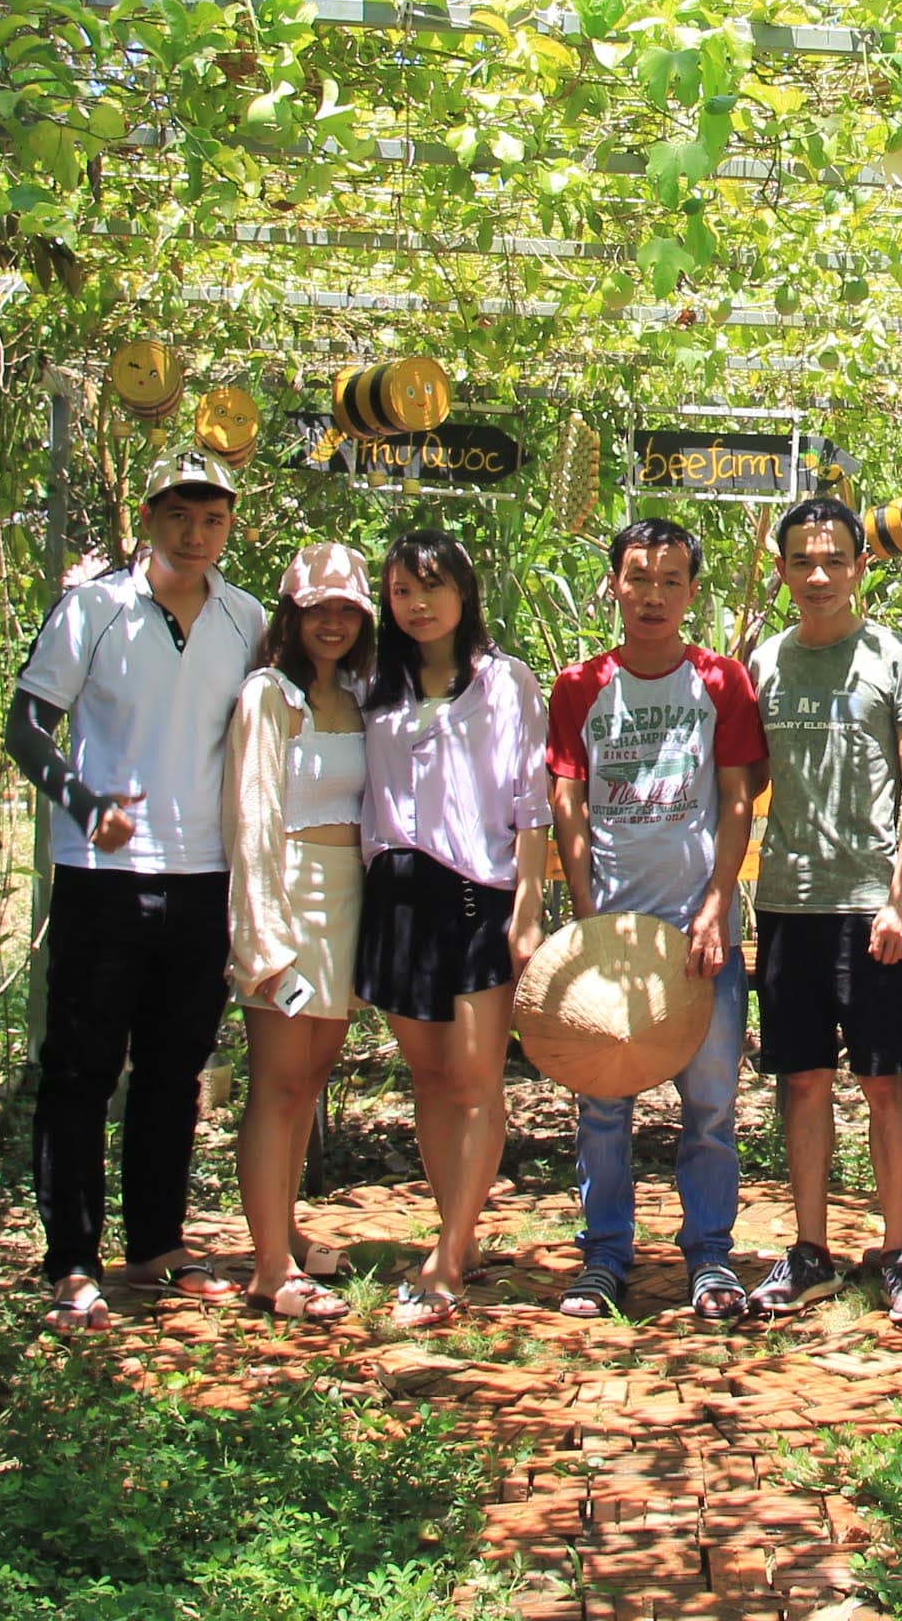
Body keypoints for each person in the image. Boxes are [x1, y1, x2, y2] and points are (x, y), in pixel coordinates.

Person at [5, 452, 269, 1333]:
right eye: (179, 517)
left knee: (174, 1072)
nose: (195, 536)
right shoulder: (93, 611)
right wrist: (84, 804)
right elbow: (27, 725)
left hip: (205, 875)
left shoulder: (246, 619)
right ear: (149, 518)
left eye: (213, 520)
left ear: (230, 527)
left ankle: (156, 1245)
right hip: (102, 877)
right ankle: (72, 1262)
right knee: (79, 1073)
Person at [543, 517, 768, 1323]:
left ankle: (710, 1255)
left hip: (698, 935)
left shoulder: (720, 681)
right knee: (603, 1104)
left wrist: (715, 905)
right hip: (613, 932)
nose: (653, 595)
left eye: (671, 580)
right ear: (614, 584)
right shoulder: (580, 686)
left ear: (692, 593)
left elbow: (737, 798)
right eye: (638, 577)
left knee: (710, 1106)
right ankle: (605, 1254)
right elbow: (567, 800)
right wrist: (587, 918)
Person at [744, 497, 902, 1327]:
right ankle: (810, 1251)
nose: (818, 575)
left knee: (885, 1080)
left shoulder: (894, 655)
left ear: (861, 565)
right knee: (803, 1081)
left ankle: (899, 1252)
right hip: (787, 904)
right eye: (802, 561)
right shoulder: (765, 662)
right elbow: (744, 782)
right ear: (782, 569)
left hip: (872, 908)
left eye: (833, 560)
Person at [356, 528, 554, 1329]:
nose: (418, 604)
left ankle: (446, 1258)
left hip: (478, 898)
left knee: (475, 1080)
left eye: (432, 586)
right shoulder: (373, 682)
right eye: (402, 590)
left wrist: (528, 907)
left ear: (464, 593)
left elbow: (532, 802)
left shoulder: (506, 682)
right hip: (397, 897)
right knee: (431, 1078)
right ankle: (456, 1233)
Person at [221, 543, 378, 1321]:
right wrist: (262, 937)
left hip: (348, 899)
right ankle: (269, 1269)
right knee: (278, 1085)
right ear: (291, 614)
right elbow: (251, 817)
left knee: (310, 1080)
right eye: (319, 609)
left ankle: (282, 1233)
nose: (333, 623)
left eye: (348, 609)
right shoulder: (268, 695)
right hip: (288, 896)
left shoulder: (358, 694)